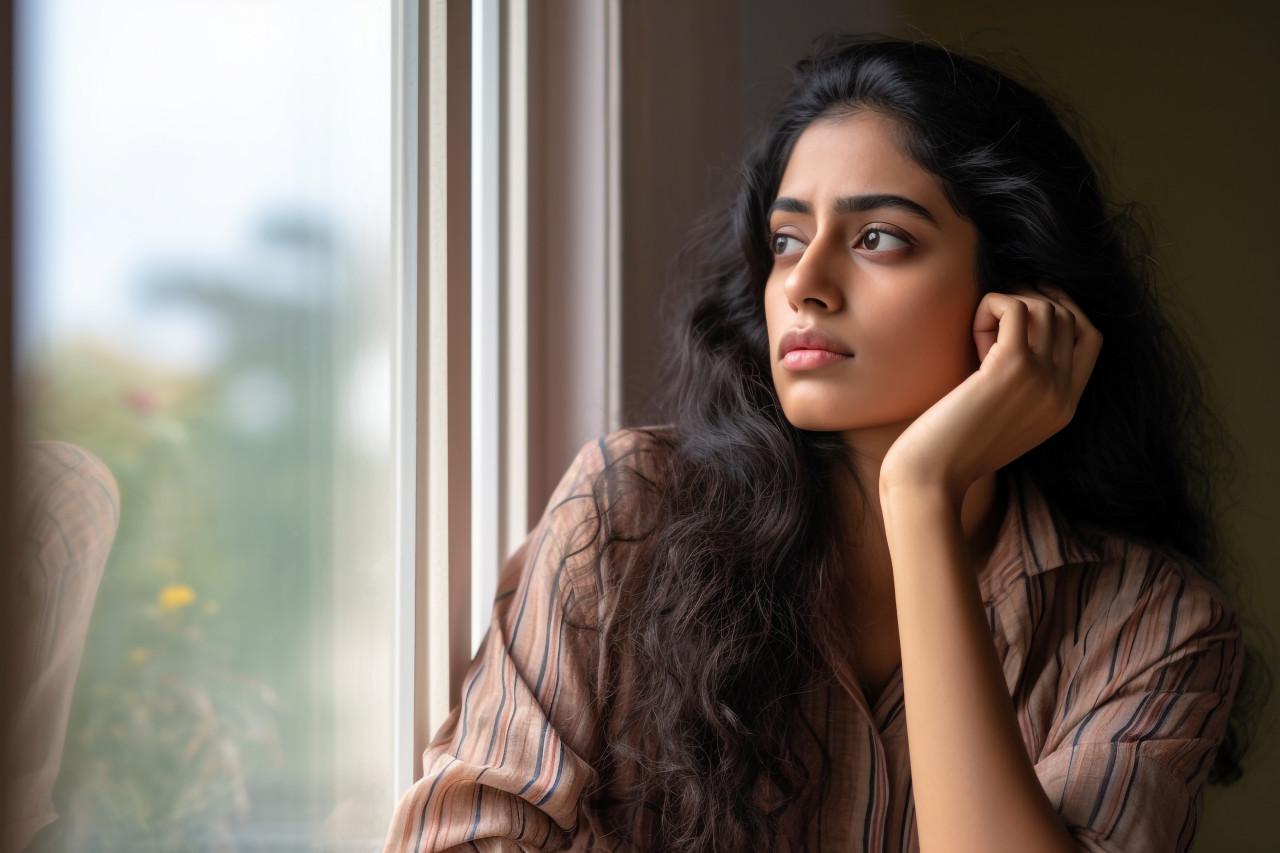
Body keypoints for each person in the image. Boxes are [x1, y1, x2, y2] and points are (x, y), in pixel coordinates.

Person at [383, 36, 1259, 853]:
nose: (804, 283)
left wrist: (919, 492)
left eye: (879, 238)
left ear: (1023, 298)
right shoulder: (630, 514)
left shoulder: (1153, 623)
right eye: (787, 239)